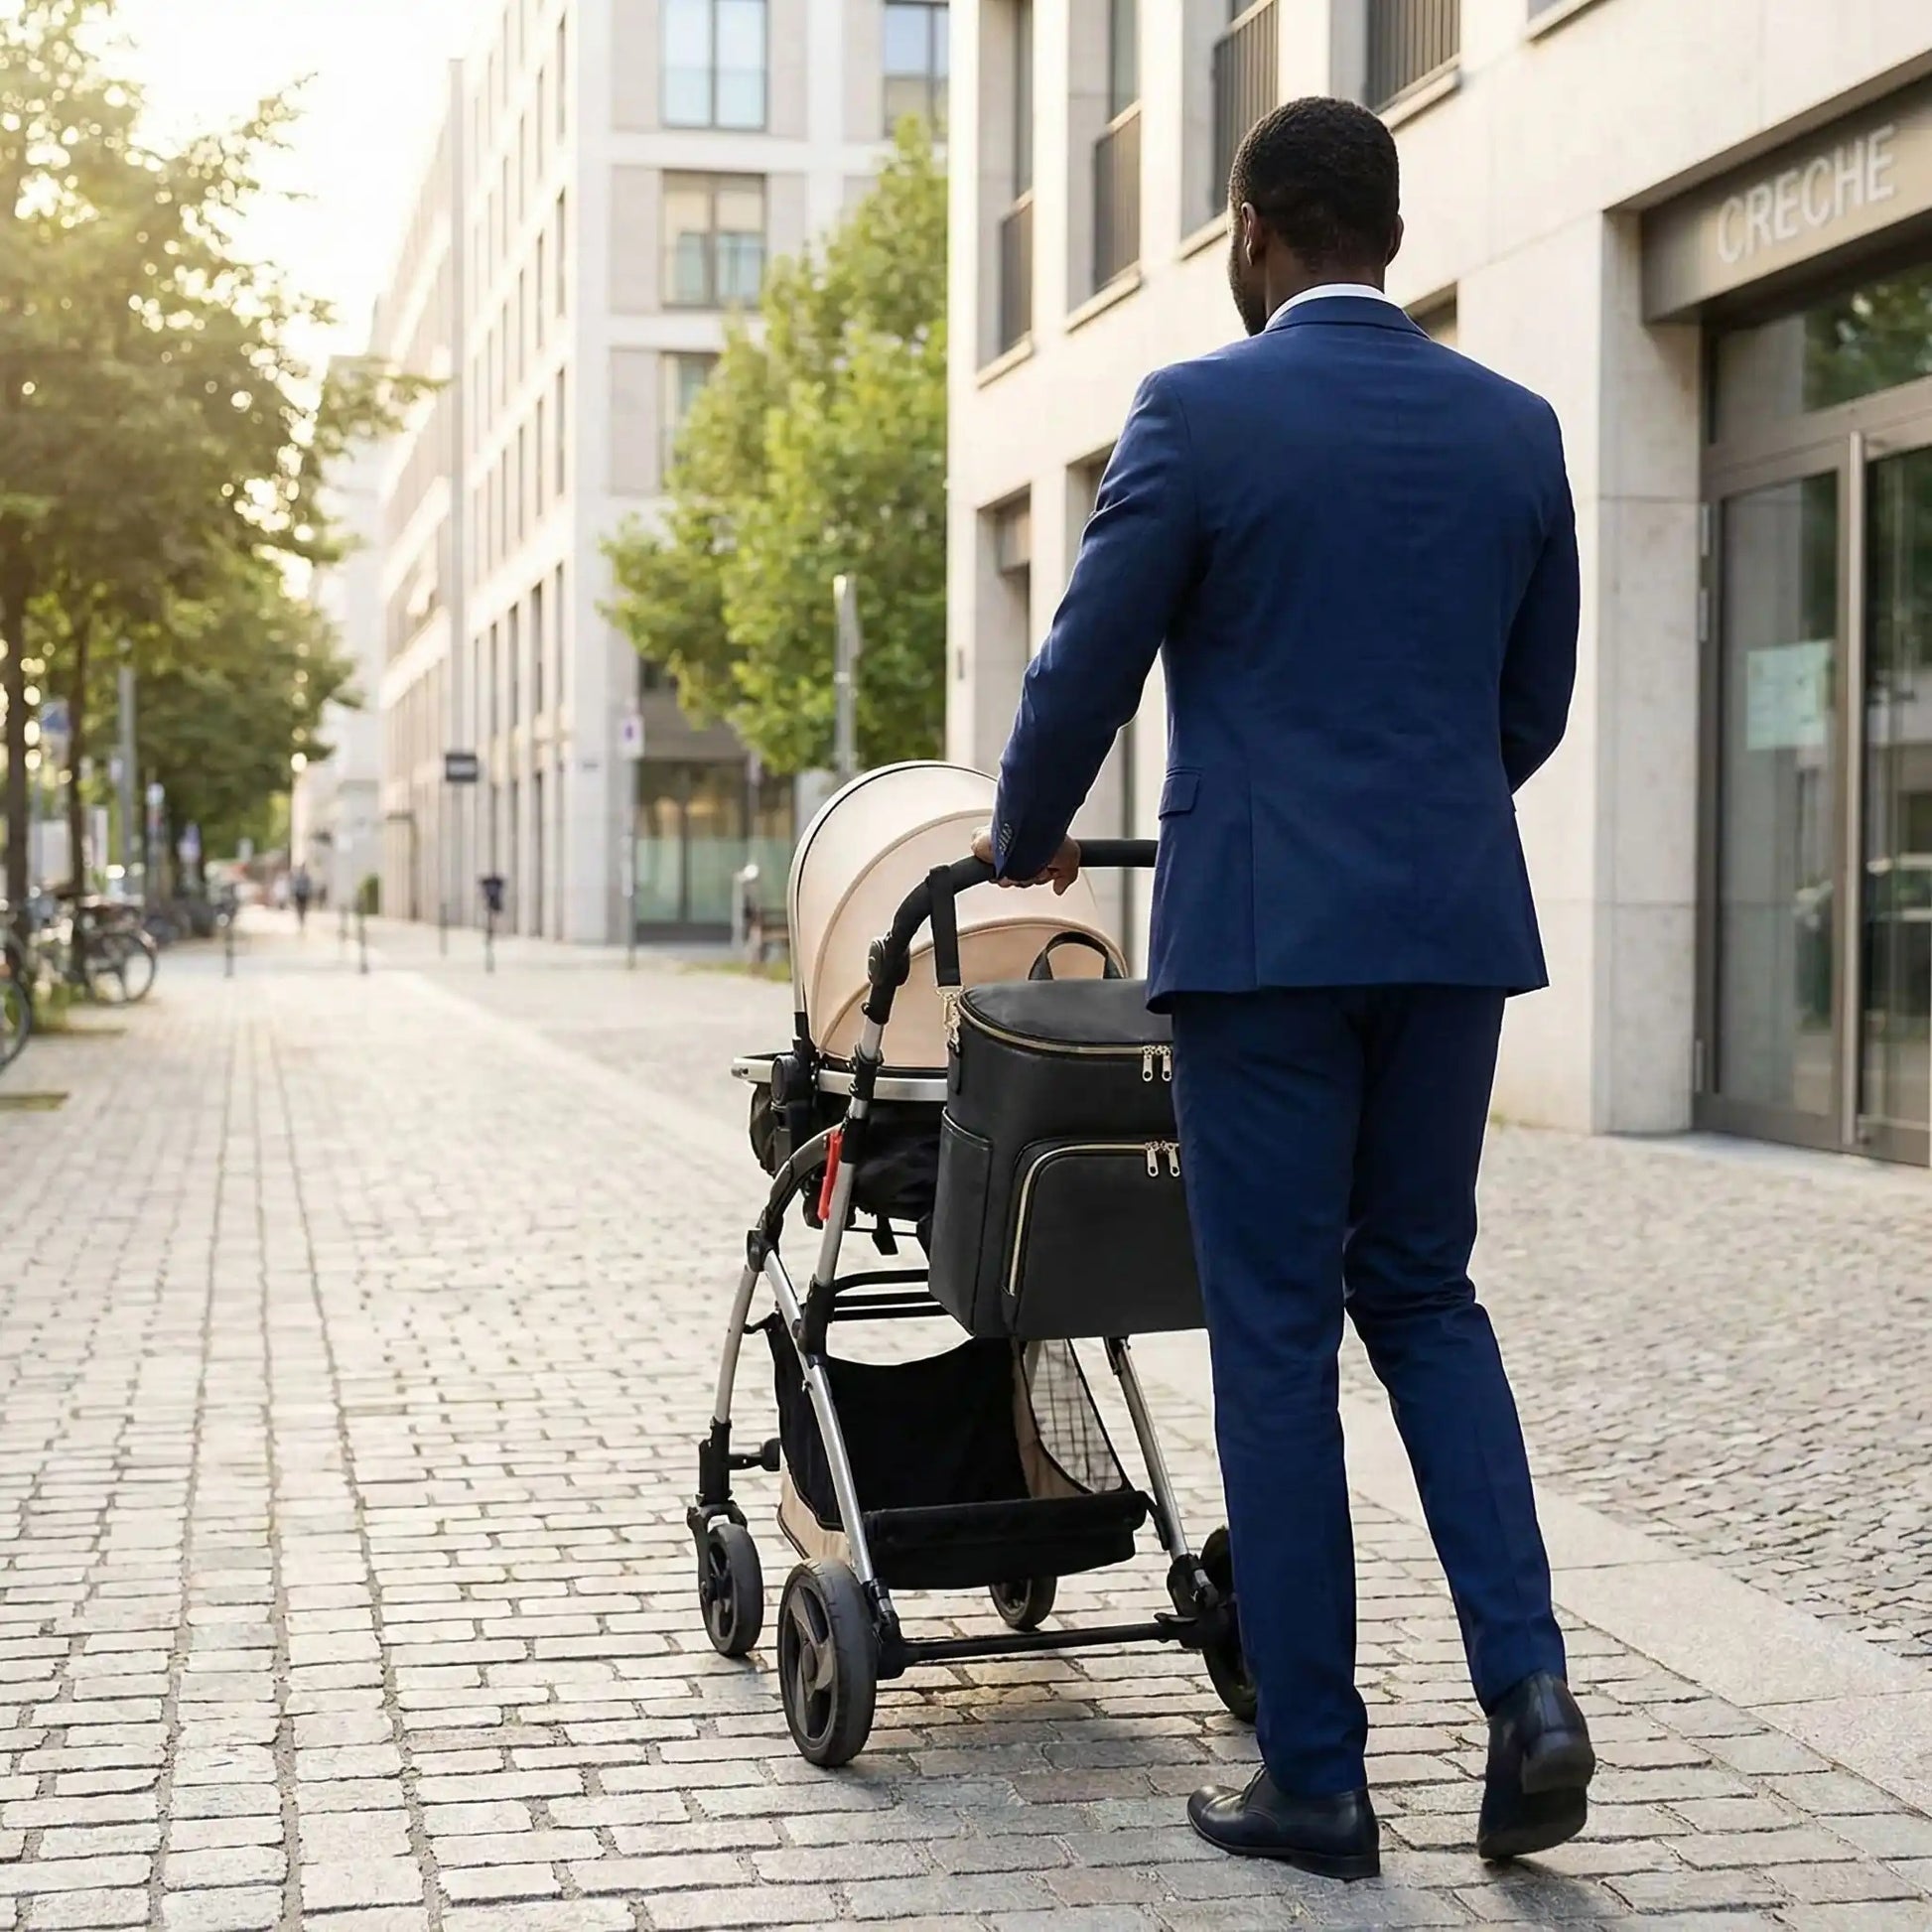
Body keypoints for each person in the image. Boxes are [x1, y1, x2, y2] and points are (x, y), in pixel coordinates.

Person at [974, 97, 1591, 1880]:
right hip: (1450, 929)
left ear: (1254, 231)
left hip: (1261, 944)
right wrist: (1421, 822)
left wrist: (1026, 834)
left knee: (1270, 1330)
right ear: (1385, 233)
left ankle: (1317, 1777)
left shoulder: (1196, 411)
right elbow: (1529, 704)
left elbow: (1085, 657)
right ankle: (1530, 1696)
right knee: (1424, 1292)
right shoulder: (1512, 427)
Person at [290, 864, 313, 932]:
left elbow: (309, 886)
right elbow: (294, 885)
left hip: (304, 894)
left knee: (303, 908)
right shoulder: (298, 877)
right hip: (299, 894)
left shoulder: (306, 877)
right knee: (300, 908)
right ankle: (301, 919)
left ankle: (302, 919)